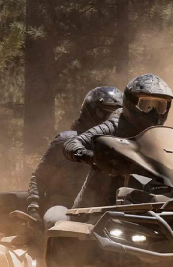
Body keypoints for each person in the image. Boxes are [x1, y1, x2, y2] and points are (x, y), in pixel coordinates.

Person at [64, 74, 173, 207]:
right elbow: (72, 143)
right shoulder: (114, 125)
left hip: (141, 204)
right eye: (146, 105)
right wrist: (92, 157)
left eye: (159, 106)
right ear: (130, 103)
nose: (153, 113)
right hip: (95, 207)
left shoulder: (161, 136)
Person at [26, 86, 123, 225]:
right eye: (105, 113)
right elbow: (39, 177)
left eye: (115, 114)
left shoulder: (121, 147)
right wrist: (33, 209)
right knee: (57, 222)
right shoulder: (64, 142)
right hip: (63, 206)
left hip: (100, 210)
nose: (110, 119)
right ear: (90, 112)